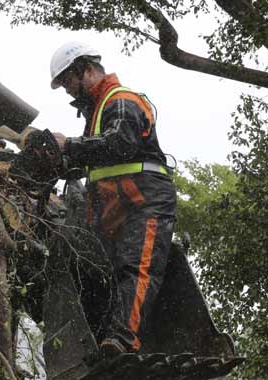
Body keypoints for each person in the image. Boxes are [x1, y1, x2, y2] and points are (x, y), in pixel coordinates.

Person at [47, 41, 177, 356]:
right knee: (94, 270)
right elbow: (94, 160)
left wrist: (69, 146)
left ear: (86, 70)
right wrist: (54, 158)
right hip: (115, 209)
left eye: (67, 81)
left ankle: (121, 342)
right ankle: (99, 337)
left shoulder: (121, 100)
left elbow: (119, 145)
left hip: (145, 201)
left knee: (137, 268)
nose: (66, 90)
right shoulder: (97, 113)